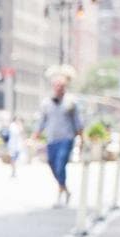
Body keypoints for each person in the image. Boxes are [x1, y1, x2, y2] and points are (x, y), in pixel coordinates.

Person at [36, 75, 82, 207]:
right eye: (56, 86)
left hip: (66, 138)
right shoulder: (46, 103)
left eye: (61, 86)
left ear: (65, 88)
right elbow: (42, 121)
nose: (59, 89)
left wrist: (81, 138)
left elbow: (77, 122)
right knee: (53, 165)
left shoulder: (71, 102)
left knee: (61, 164)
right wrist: (36, 134)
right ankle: (65, 189)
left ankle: (60, 194)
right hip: (51, 139)